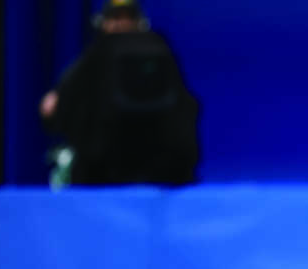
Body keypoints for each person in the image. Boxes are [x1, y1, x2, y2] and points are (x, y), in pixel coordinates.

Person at [39, 0, 199, 185]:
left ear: (139, 22)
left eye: (128, 18)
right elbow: (54, 107)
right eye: (116, 18)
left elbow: (184, 113)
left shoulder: (159, 53)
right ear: (104, 22)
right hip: (102, 173)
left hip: (158, 173)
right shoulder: (93, 59)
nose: (122, 24)